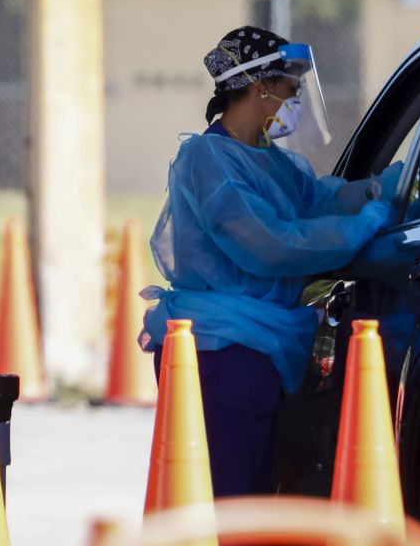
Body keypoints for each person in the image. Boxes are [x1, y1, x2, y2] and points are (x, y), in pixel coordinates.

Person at [139, 26, 395, 498]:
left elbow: (316, 203)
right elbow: (270, 244)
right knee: (230, 503)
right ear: (261, 88)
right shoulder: (208, 160)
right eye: (290, 90)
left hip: (255, 344)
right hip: (222, 348)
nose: (294, 102)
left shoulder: (269, 161)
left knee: (254, 496)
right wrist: (365, 224)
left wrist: (381, 191)